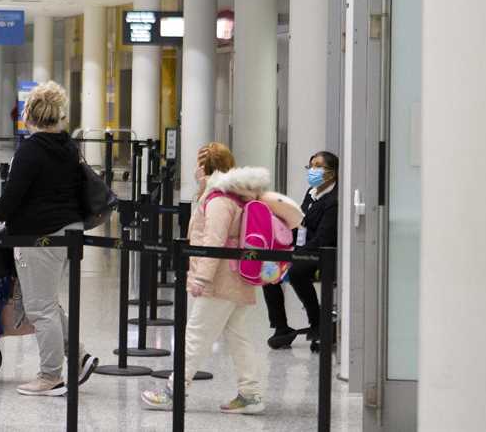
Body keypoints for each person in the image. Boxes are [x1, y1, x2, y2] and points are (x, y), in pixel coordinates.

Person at [141, 143, 301, 414]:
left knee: (195, 335)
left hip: (220, 281)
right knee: (238, 337)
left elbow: (211, 242)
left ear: (204, 166)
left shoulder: (219, 199)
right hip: (236, 277)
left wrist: (200, 279)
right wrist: (203, 189)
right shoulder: (236, 194)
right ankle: (250, 394)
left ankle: (174, 391)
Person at [0, 81, 99, 396]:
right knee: (47, 301)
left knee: (40, 307)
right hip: (67, 230)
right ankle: (79, 355)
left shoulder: (31, 149)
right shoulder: (67, 146)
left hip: (39, 234)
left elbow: (14, 194)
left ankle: (51, 377)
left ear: (28, 113)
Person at [265, 151, 340, 351]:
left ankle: (317, 324)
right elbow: (300, 222)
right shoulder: (311, 193)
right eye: (310, 166)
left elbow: (324, 237)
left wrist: (295, 255)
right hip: (301, 249)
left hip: (322, 253)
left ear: (331, 173)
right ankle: (281, 327)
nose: (312, 171)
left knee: (296, 272)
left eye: (317, 166)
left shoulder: (333, 200)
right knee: (269, 270)